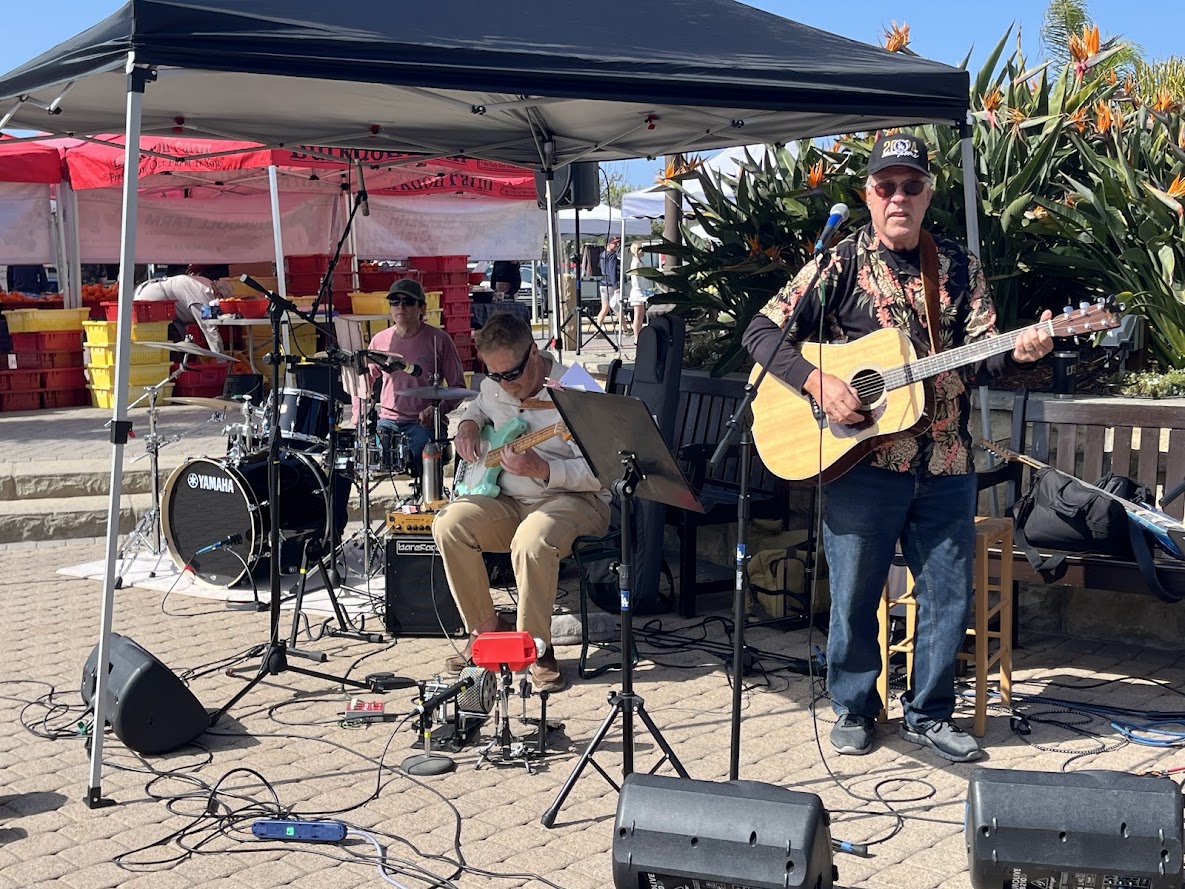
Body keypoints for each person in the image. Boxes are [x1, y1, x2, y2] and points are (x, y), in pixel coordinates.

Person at [742, 133, 1053, 763]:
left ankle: (929, 713)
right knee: (855, 589)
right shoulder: (840, 263)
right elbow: (760, 329)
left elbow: (982, 361)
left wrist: (1022, 353)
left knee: (947, 591)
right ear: (869, 195)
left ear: (928, 193)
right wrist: (820, 382)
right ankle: (855, 706)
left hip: (946, 459)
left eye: (912, 185)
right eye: (887, 187)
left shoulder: (959, 267)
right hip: (861, 460)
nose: (899, 197)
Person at [432, 311, 611, 692]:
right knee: (449, 524)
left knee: (532, 539)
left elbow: (608, 470)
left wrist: (544, 469)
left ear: (534, 352)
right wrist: (466, 424)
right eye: (494, 375)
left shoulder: (577, 385)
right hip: (509, 499)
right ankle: (486, 633)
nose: (504, 385)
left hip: (574, 499)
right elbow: (475, 407)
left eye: (510, 374)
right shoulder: (494, 384)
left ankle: (535, 646)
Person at [354, 278, 466, 478]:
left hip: (423, 424)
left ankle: (429, 501)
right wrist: (358, 414)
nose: (400, 306)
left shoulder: (439, 340)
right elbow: (362, 383)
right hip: (387, 421)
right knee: (364, 461)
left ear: (422, 307)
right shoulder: (380, 340)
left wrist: (437, 408)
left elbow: (458, 387)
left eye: (408, 302)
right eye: (395, 301)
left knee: (428, 468)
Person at [133, 264, 233, 354]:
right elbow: (209, 328)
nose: (217, 302)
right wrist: (221, 359)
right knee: (159, 342)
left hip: (145, 291)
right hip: (149, 300)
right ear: (217, 293)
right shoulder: (204, 294)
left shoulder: (204, 282)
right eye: (219, 299)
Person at [596, 235, 621, 330]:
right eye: (614, 243)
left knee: (605, 308)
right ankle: (626, 329)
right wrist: (616, 285)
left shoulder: (602, 254)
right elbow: (612, 270)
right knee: (617, 307)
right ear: (608, 244)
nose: (617, 245)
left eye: (617, 243)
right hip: (610, 284)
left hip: (603, 283)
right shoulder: (612, 256)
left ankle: (598, 328)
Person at [626, 241, 649, 340]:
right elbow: (635, 279)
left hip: (642, 291)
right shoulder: (635, 263)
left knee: (641, 315)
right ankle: (636, 337)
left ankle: (639, 335)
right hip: (638, 292)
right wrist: (641, 291)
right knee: (638, 316)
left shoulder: (639, 262)